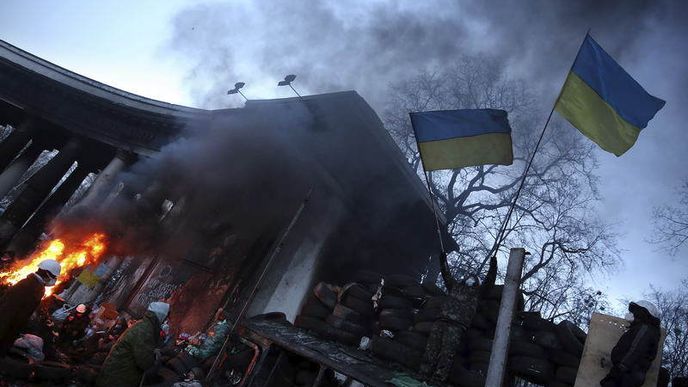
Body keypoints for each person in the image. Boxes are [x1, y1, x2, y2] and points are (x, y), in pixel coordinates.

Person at [420, 252, 497, 382]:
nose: (471, 278)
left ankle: (437, 379)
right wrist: (442, 259)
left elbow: (489, 281)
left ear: (477, 283)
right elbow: (446, 274)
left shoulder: (477, 293)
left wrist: (493, 266)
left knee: (446, 353)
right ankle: (423, 374)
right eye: (469, 276)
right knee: (431, 348)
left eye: (474, 278)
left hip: (457, 326)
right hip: (441, 320)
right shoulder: (455, 286)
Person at [96, 301, 170, 387]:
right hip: (119, 376)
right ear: (160, 316)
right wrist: (155, 357)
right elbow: (144, 361)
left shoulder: (145, 325)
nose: (165, 320)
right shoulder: (145, 330)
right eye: (165, 317)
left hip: (119, 371)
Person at [0, 259, 61, 357]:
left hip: (10, 330)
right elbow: (7, 312)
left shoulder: (35, 286)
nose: (54, 279)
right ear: (46, 273)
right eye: (53, 277)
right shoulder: (28, 286)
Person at [600, 300, 661, 387]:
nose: (631, 313)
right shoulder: (644, 328)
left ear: (643, 312)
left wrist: (618, 370)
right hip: (627, 374)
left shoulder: (645, 329)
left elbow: (636, 350)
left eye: (635, 310)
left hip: (626, 375)